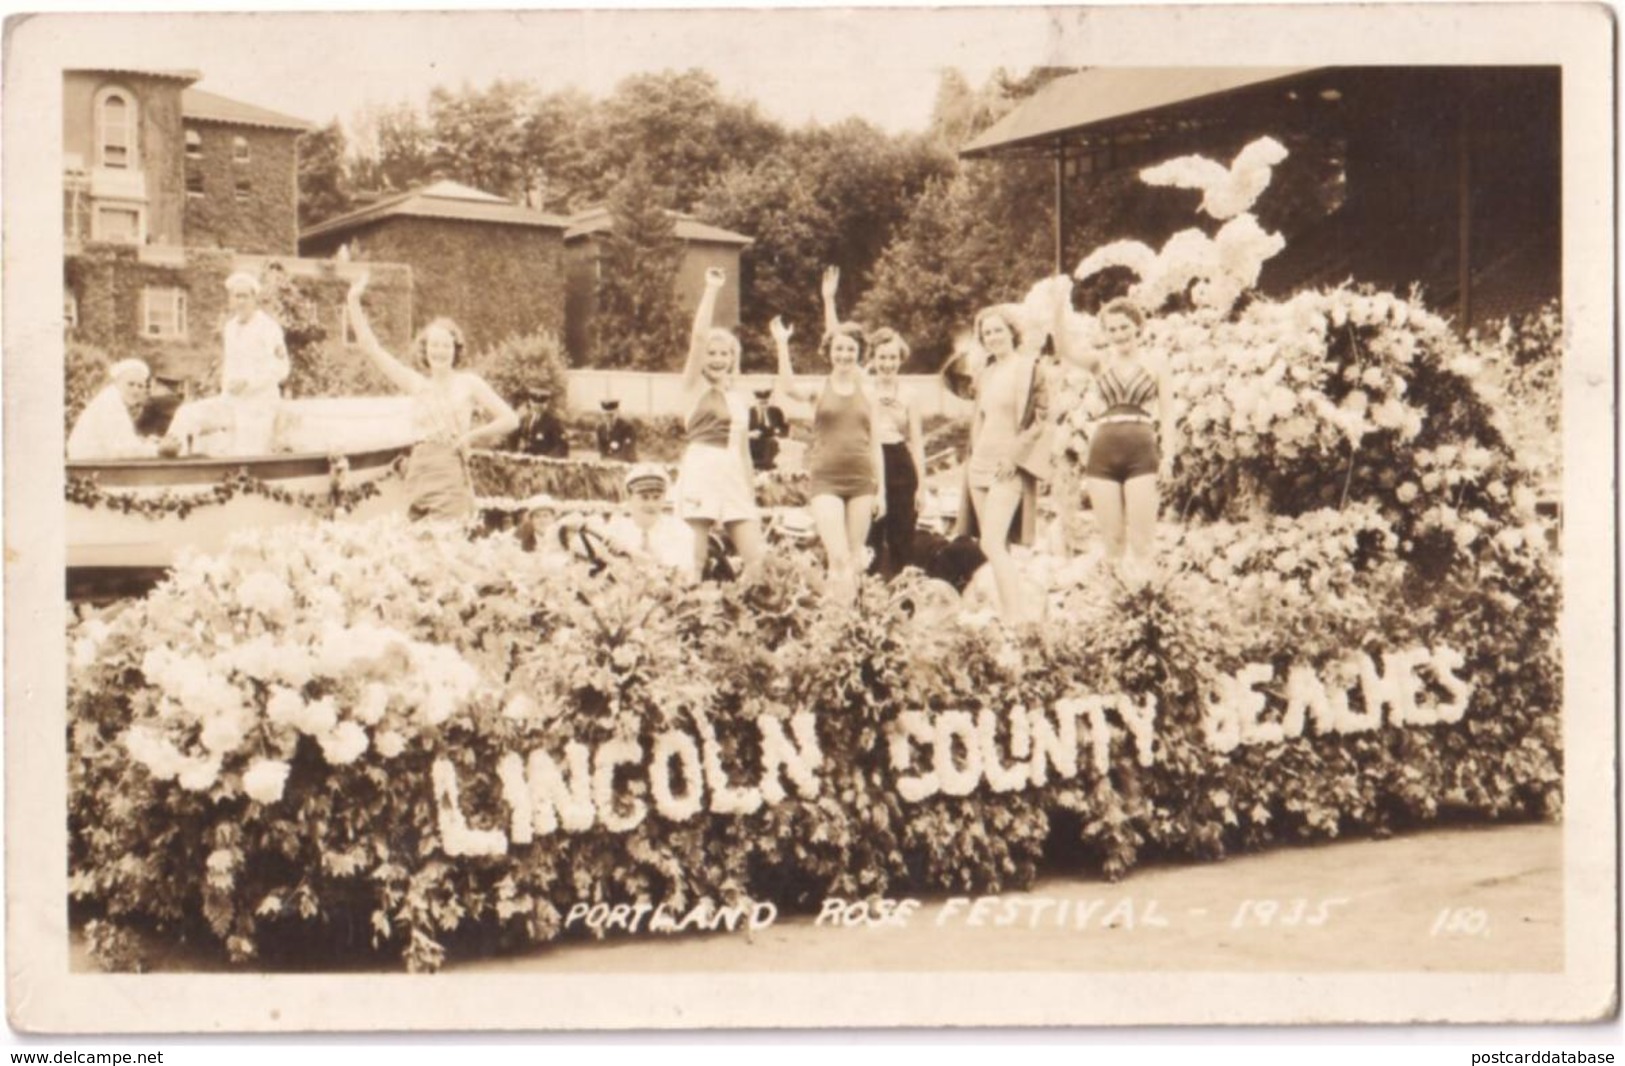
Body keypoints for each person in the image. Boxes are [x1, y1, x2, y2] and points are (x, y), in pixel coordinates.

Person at [950, 279, 1079, 623]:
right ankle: (1004, 612)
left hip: (1008, 467)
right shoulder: (985, 372)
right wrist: (972, 458)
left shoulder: (1029, 368)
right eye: (986, 334)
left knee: (992, 542)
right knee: (995, 546)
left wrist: (1015, 457)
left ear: (1012, 332)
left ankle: (1017, 618)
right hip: (980, 465)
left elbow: (1042, 419)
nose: (993, 337)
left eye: (998, 331)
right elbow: (979, 418)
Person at [345, 271, 518, 523]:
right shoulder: (416, 384)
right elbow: (370, 348)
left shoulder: (469, 383)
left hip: (450, 469)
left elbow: (510, 419)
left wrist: (471, 436)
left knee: (448, 540)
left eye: (446, 346)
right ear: (425, 350)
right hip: (419, 470)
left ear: (455, 350)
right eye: (434, 345)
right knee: (417, 544)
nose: (439, 351)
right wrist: (353, 301)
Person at [772, 284, 885, 597]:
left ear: (859, 353)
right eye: (839, 349)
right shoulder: (818, 388)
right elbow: (787, 386)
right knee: (837, 557)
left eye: (851, 349)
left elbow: (876, 444)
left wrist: (882, 491)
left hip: (862, 481)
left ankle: (849, 624)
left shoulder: (869, 391)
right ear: (829, 353)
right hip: (826, 480)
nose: (845, 354)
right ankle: (836, 621)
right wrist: (782, 344)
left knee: (854, 559)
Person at [674, 267, 766, 579]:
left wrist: (750, 492)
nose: (716, 358)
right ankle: (691, 615)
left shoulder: (740, 398)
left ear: (732, 358)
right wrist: (712, 288)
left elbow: (743, 453)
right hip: (702, 467)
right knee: (694, 558)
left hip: (733, 474)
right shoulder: (693, 387)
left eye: (723, 353)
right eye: (711, 353)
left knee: (756, 557)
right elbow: (699, 337)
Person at [1084, 298, 1176, 574]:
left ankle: (1144, 607)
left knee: (1142, 543)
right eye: (1111, 330)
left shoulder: (1157, 363)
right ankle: (1115, 611)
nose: (1119, 334)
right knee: (1112, 542)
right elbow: (1065, 350)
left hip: (1141, 452)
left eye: (1124, 327)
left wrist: (1169, 456)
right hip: (1102, 452)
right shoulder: (1099, 363)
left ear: (1137, 326)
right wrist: (1055, 312)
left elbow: (1168, 414)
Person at [219, 272, 290, 455]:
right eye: (237, 296)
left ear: (254, 299)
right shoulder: (230, 328)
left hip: (260, 403)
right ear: (231, 300)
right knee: (193, 420)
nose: (241, 301)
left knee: (246, 451)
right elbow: (229, 366)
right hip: (233, 401)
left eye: (245, 296)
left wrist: (249, 383)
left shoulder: (268, 327)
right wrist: (226, 394)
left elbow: (282, 368)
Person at [601, 463, 696, 579]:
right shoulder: (617, 528)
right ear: (630, 497)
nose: (651, 504)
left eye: (657, 497)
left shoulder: (679, 530)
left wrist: (630, 551)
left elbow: (677, 572)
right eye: (644, 497)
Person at [68, 358, 160, 461]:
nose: (136, 390)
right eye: (130, 384)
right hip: (87, 465)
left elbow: (121, 441)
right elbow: (121, 450)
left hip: (95, 462)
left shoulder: (114, 399)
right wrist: (158, 450)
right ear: (117, 383)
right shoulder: (110, 403)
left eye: (140, 386)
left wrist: (144, 443)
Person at [515, 389, 570, 458]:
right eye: (535, 402)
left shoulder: (553, 422)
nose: (538, 406)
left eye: (542, 403)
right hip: (525, 461)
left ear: (547, 404)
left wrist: (548, 459)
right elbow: (515, 439)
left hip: (543, 462)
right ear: (530, 402)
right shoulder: (525, 419)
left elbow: (561, 446)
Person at [747, 388, 789, 471]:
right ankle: (757, 467)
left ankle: (768, 467)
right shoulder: (749, 413)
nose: (763, 406)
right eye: (761, 403)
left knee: (772, 444)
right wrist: (750, 434)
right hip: (754, 443)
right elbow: (742, 430)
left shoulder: (776, 412)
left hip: (771, 444)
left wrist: (779, 433)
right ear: (755, 402)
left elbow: (784, 428)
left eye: (766, 403)